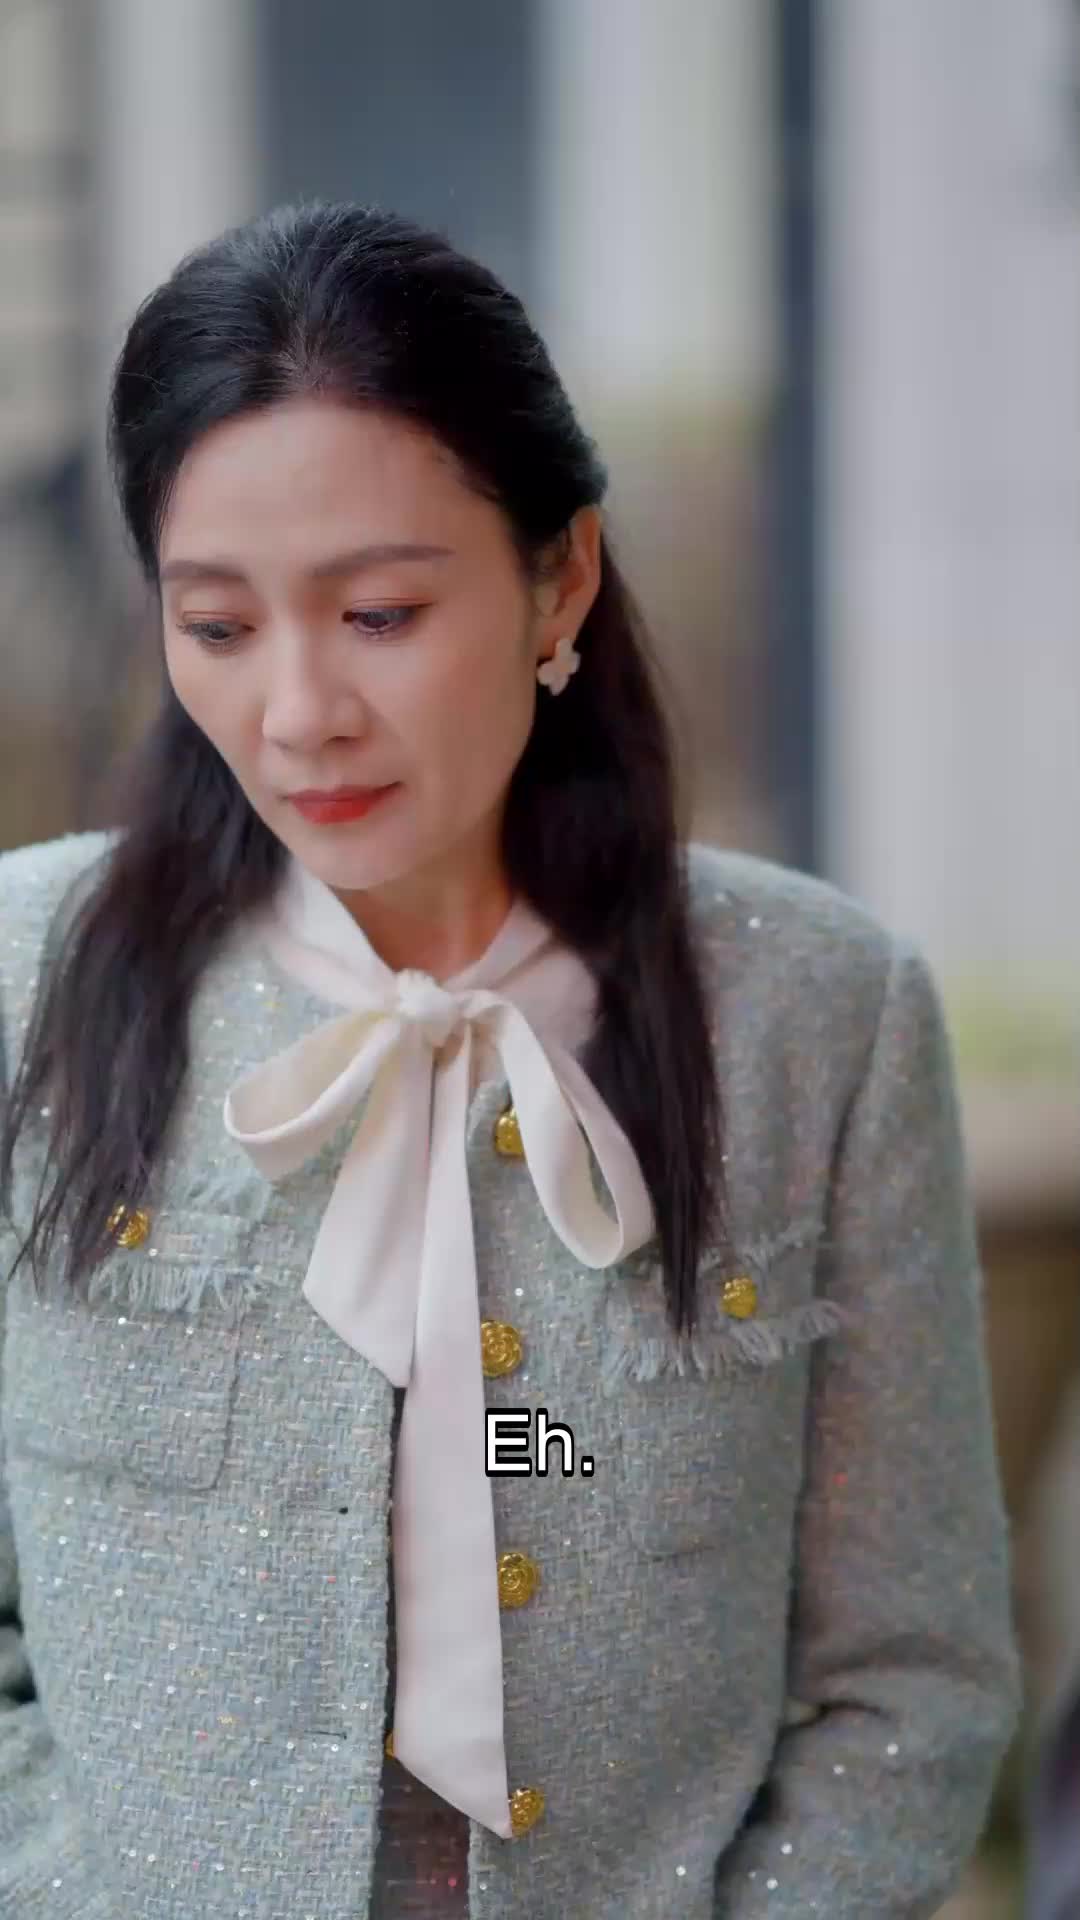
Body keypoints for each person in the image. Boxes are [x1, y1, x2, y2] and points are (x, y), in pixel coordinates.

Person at [0, 200, 1021, 1919]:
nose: (299, 712)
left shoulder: (818, 1018)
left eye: (382, 612)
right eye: (221, 626)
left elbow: (908, 1679)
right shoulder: (24, 986)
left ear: (562, 576)